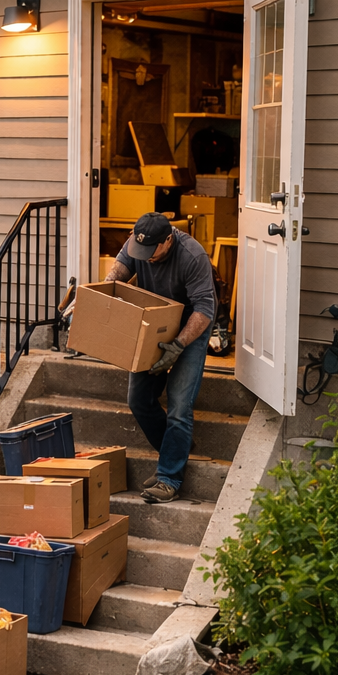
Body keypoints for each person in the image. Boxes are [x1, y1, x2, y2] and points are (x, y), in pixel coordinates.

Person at [105, 212, 217, 504]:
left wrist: (178, 346)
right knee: (138, 400)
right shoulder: (139, 243)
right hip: (155, 322)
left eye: (151, 252)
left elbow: (205, 309)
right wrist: (105, 288)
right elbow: (120, 267)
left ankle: (169, 478)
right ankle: (176, 450)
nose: (146, 258)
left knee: (180, 407)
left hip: (190, 328)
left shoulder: (193, 256)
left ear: (168, 240)